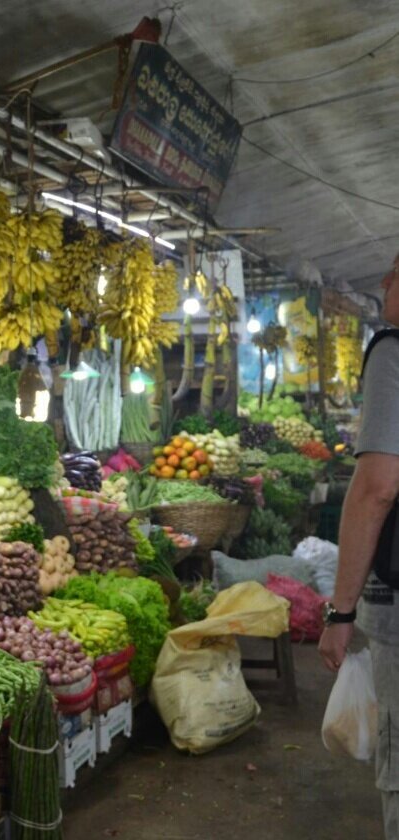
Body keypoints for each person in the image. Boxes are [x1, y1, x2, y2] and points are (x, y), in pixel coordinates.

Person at [319, 252, 399, 837]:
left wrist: (340, 611)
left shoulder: (392, 351)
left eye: (392, 277)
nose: (382, 286)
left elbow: (377, 487)